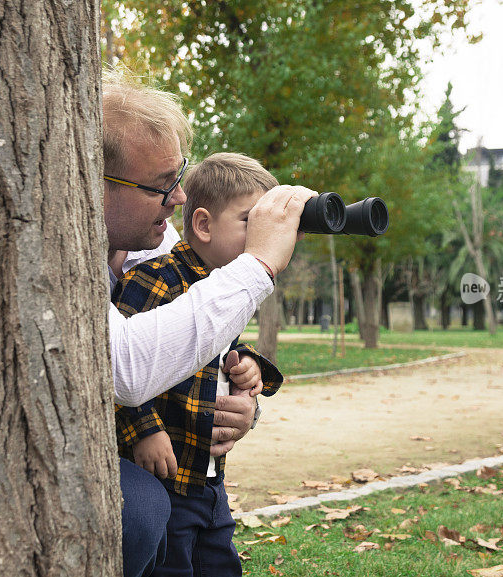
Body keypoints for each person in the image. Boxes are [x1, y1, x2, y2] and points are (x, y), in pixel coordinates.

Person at [101, 68, 316, 577]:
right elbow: (124, 370)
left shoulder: (152, 237)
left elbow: (201, 340)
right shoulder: (136, 269)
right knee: (150, 518)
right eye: (161, 185)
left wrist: (246, 402)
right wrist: (258, 265)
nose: (177, 198)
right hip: (156, 472)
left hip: (205, 476)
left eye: (179, 178)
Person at [112, 153, 285, 577]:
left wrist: (247, 367)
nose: (262, 235)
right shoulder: (155, 278)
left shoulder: (218, 281)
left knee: (221, 564)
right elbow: (114, 363)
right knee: (173, 567)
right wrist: (144, 429)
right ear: (204, 225)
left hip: (207, 478)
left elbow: (211, 347)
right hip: (164, 473)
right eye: (250, 221)